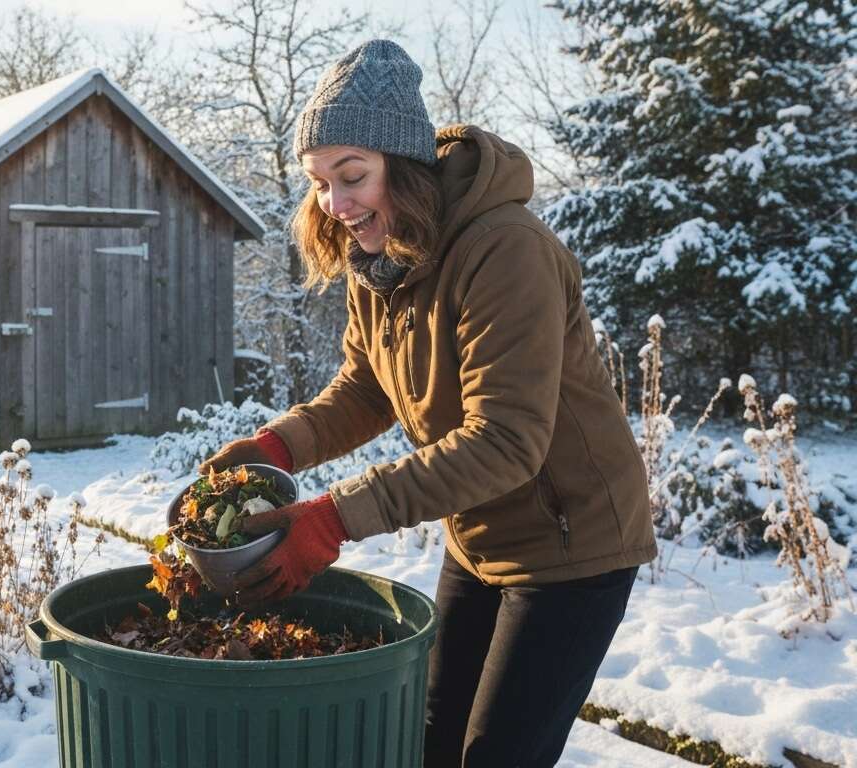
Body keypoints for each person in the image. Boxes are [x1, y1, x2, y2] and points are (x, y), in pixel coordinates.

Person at [200, 39, 658, 767]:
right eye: (320, 182)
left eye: (352, 177)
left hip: (574, 541)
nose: (335, 204)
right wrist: (276, 447)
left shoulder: (504, 251)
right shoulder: (381, 254)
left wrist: (333, 517)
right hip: (477, 531)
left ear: (406, 169)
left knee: (495, 755)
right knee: (426, 742)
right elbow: (366, 386)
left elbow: (507, 441)